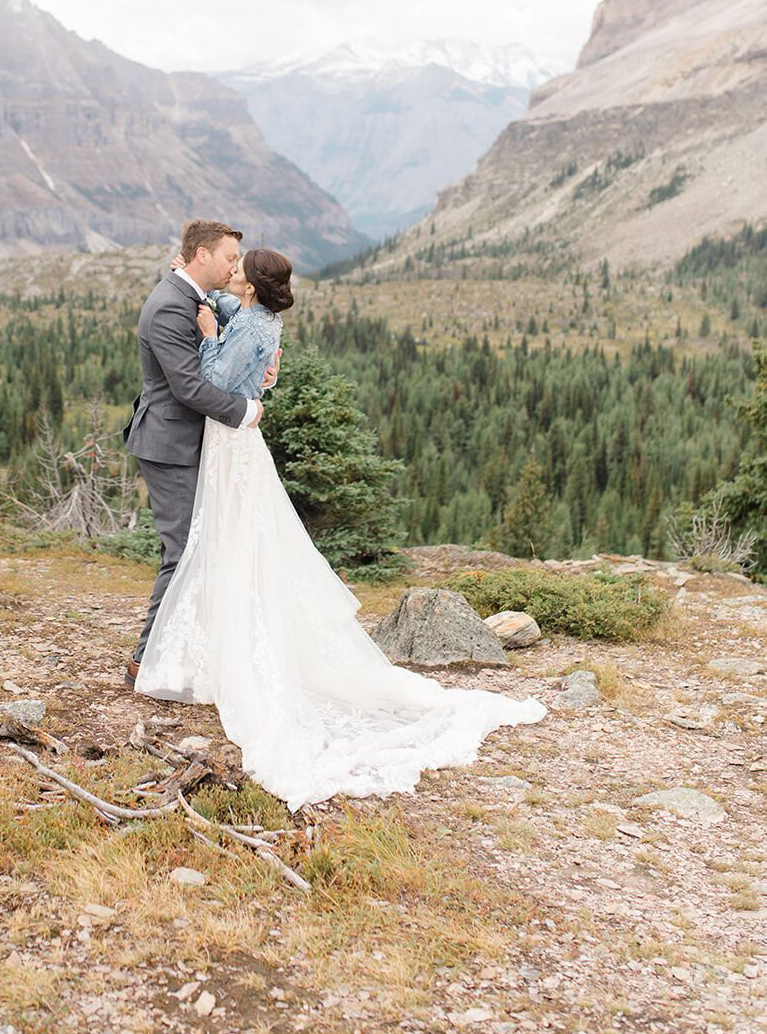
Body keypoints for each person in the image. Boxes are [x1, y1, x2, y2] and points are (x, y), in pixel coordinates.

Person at [132, 242, 546, 812]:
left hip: (232, 440)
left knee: (219, 545)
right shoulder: (254, 316)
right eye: (227, 259)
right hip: (228, 442)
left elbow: (216, 377)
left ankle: (209, 652)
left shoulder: (250, 324)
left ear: (251, 286)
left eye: (239, 268)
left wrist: (213, 344)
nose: (232, 271)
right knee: (219, 544)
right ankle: (201, 646)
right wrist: (227, 329)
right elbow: (240, 331)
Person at [123, 220, 279, 686]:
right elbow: (189, 387)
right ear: (202, 256)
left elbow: (239, 332)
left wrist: (260, 368)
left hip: (191, 441)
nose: (236, 266)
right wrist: (247, 410)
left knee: (200, 546)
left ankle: (187, 653)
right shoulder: (171, 307)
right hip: (170, 443)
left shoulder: (195, 296)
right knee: (184, 549)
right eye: (231, 257)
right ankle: (145, 660)